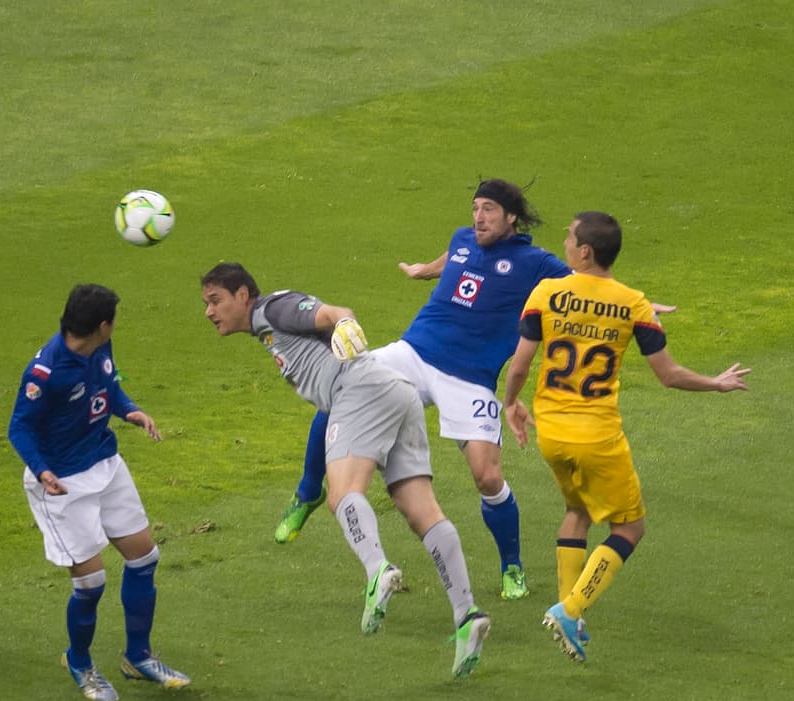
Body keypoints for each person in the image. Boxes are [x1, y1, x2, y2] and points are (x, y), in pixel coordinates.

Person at [274, 179, 677, 603]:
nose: (478, 217)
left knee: (487, 476)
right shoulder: (464, 239)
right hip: (414, 352)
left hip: (469, 379)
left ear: (510, 217)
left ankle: (512, 567)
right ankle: (308, 491)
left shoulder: (535, 263)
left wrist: (644, 309)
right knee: (342, 392)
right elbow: (454, 257)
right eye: (475, 208)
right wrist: (423, 270)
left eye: (488, 209)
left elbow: (588, 283)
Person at [201, 262, 490, 679]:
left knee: (341, 493)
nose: (210, 312)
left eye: (216, 301)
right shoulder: (269, 322)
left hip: (358, 389)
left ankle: (378, 571)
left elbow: (334, 312)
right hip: (397, 392)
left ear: (242, 295)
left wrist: (344, 323)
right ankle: (467, 615)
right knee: (420, 509)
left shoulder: (273, 309)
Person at [502, 211, 750, 662]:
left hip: (551, 432)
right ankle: (570, 607)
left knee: (577, 510)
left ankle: (571, 617)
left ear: (585, 252)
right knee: (630, 527)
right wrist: (716, 383)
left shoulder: (547, 292)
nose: (564, 240)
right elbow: (669, 376)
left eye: (569, 236)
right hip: (597, 436)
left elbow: (519, 364)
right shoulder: (634, 303)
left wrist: (511, 403)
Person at [8, 283, 189, 701]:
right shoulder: (46, 372)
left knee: (144, 558)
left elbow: (108, 389)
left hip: (105, 466)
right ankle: (80, 662)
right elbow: (19, 426)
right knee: (91, 583)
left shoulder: (99, 348)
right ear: (103, 325)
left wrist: (131, 411)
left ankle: (138, 657)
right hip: (63, 485)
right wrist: (43, 470)